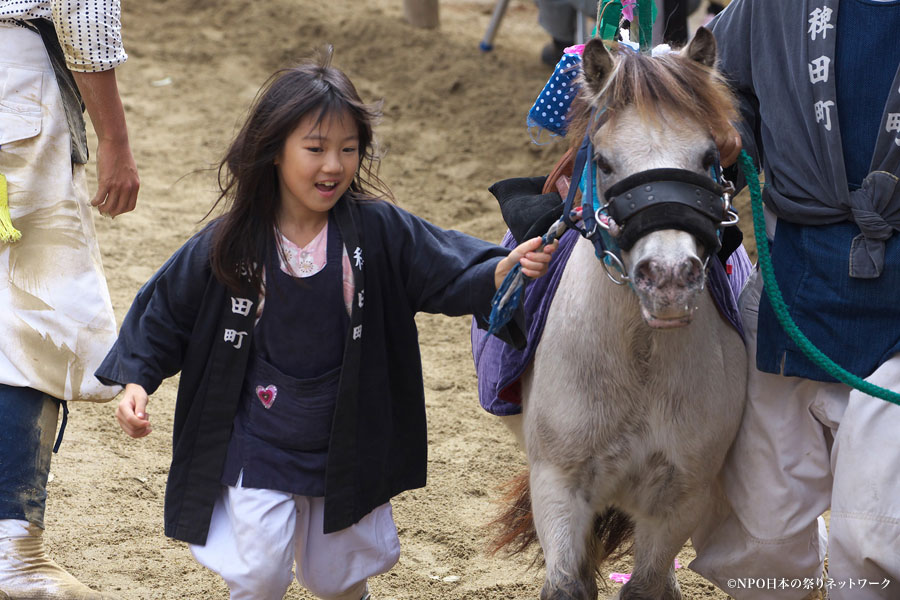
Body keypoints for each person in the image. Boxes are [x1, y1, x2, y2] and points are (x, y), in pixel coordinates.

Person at [96, 50, 557, 600]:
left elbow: (445, 266)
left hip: (345, 431)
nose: (333, 166)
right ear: (273, 151)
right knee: (259, 571)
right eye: (314, 149)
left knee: (336, 577)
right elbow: (166, 311)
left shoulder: (377, 228)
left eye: (347, 149)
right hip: (257, 436)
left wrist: (501, 269)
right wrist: (136, 382)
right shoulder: (231, 242)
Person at [688, 1, 900, 599]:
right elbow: (720, 85)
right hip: (794, 285)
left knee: (882, 528)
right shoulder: (772, 5)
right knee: (759, 529)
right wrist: (730, 136)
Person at [0, 1, 139, 598]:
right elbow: (80, 11)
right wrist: (115, 138)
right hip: (11, 88)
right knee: (33, 322)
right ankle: (14, 549)